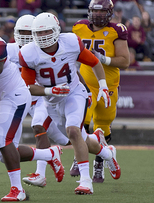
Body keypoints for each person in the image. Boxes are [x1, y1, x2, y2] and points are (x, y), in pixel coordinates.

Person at [0, 10, 65, 201]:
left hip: (16, 96)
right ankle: (49, 153)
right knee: (2, 153)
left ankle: (18, 190)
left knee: (6, 140)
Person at [20, 12, 121, 194]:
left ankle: (85, 181)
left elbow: (94, 62)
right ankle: (107, 153)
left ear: (56, 30)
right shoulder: (28, 53)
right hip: (51, 100)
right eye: (39, 33)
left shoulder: (71, 42)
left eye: (46, 32)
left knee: (73, 130)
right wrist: (50, 91)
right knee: (75, 139)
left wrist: (103, 86)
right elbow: (28, 87)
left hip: (74, 93)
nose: (43, 37)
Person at [71, 0, 128, 183]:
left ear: (110, 13)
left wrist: (104, 59)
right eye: (95, 11)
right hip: (87, 84)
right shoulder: (79, 27)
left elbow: (125, 61)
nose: (97, 15)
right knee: (82, 123)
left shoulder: (116, 30)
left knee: (102, 127)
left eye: (102, 12)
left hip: (108, 86)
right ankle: (79, 157)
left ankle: (99, 162)